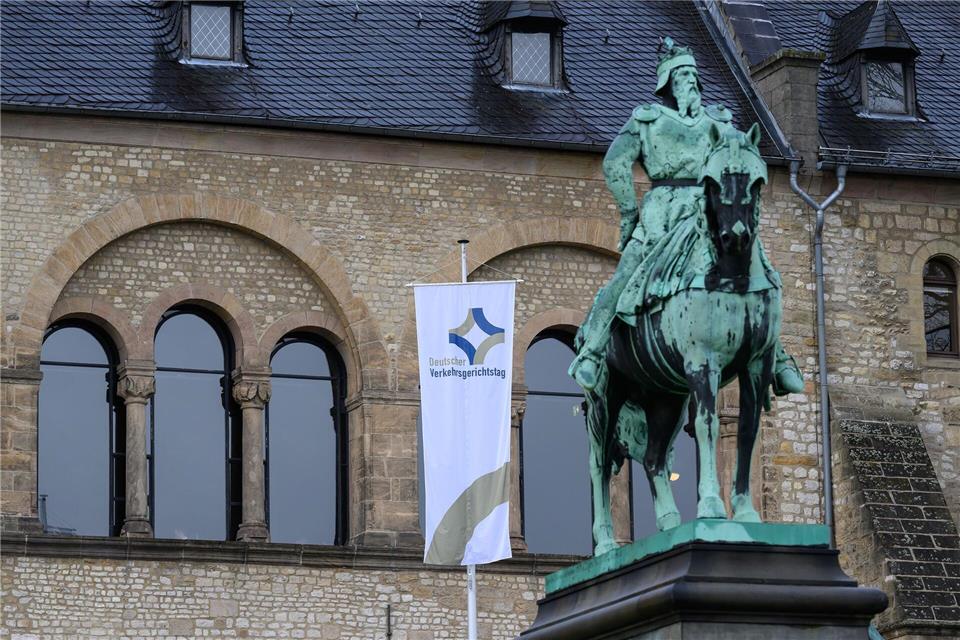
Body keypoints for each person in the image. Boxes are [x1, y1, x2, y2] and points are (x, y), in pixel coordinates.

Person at [568, 38, 804, 395]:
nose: (690, 82)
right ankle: (593, 351)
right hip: (662, 213)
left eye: (693, 76)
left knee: (757, 270)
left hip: (709, 211)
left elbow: (744, 153)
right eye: (682, 76)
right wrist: (629, 211)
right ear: (667, 83)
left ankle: (778, 356)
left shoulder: (719, 122)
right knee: (627, 275)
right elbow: (614, 162)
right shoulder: (647, 120)